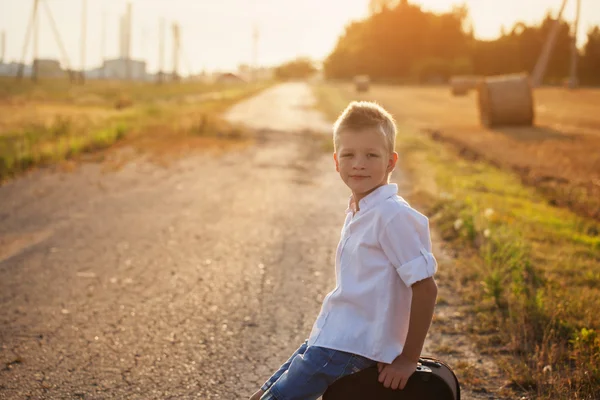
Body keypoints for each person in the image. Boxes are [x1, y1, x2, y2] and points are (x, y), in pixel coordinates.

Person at [249, 101, 438, 400]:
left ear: (391, 161)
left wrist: (407, 359)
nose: (358, 163)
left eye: (371, 155)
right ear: (336, 162)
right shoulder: (361, 209)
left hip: (352, 345)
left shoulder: (392, 216)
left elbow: (425, 289)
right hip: (332, 336)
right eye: (349, 155)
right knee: (264, 393)